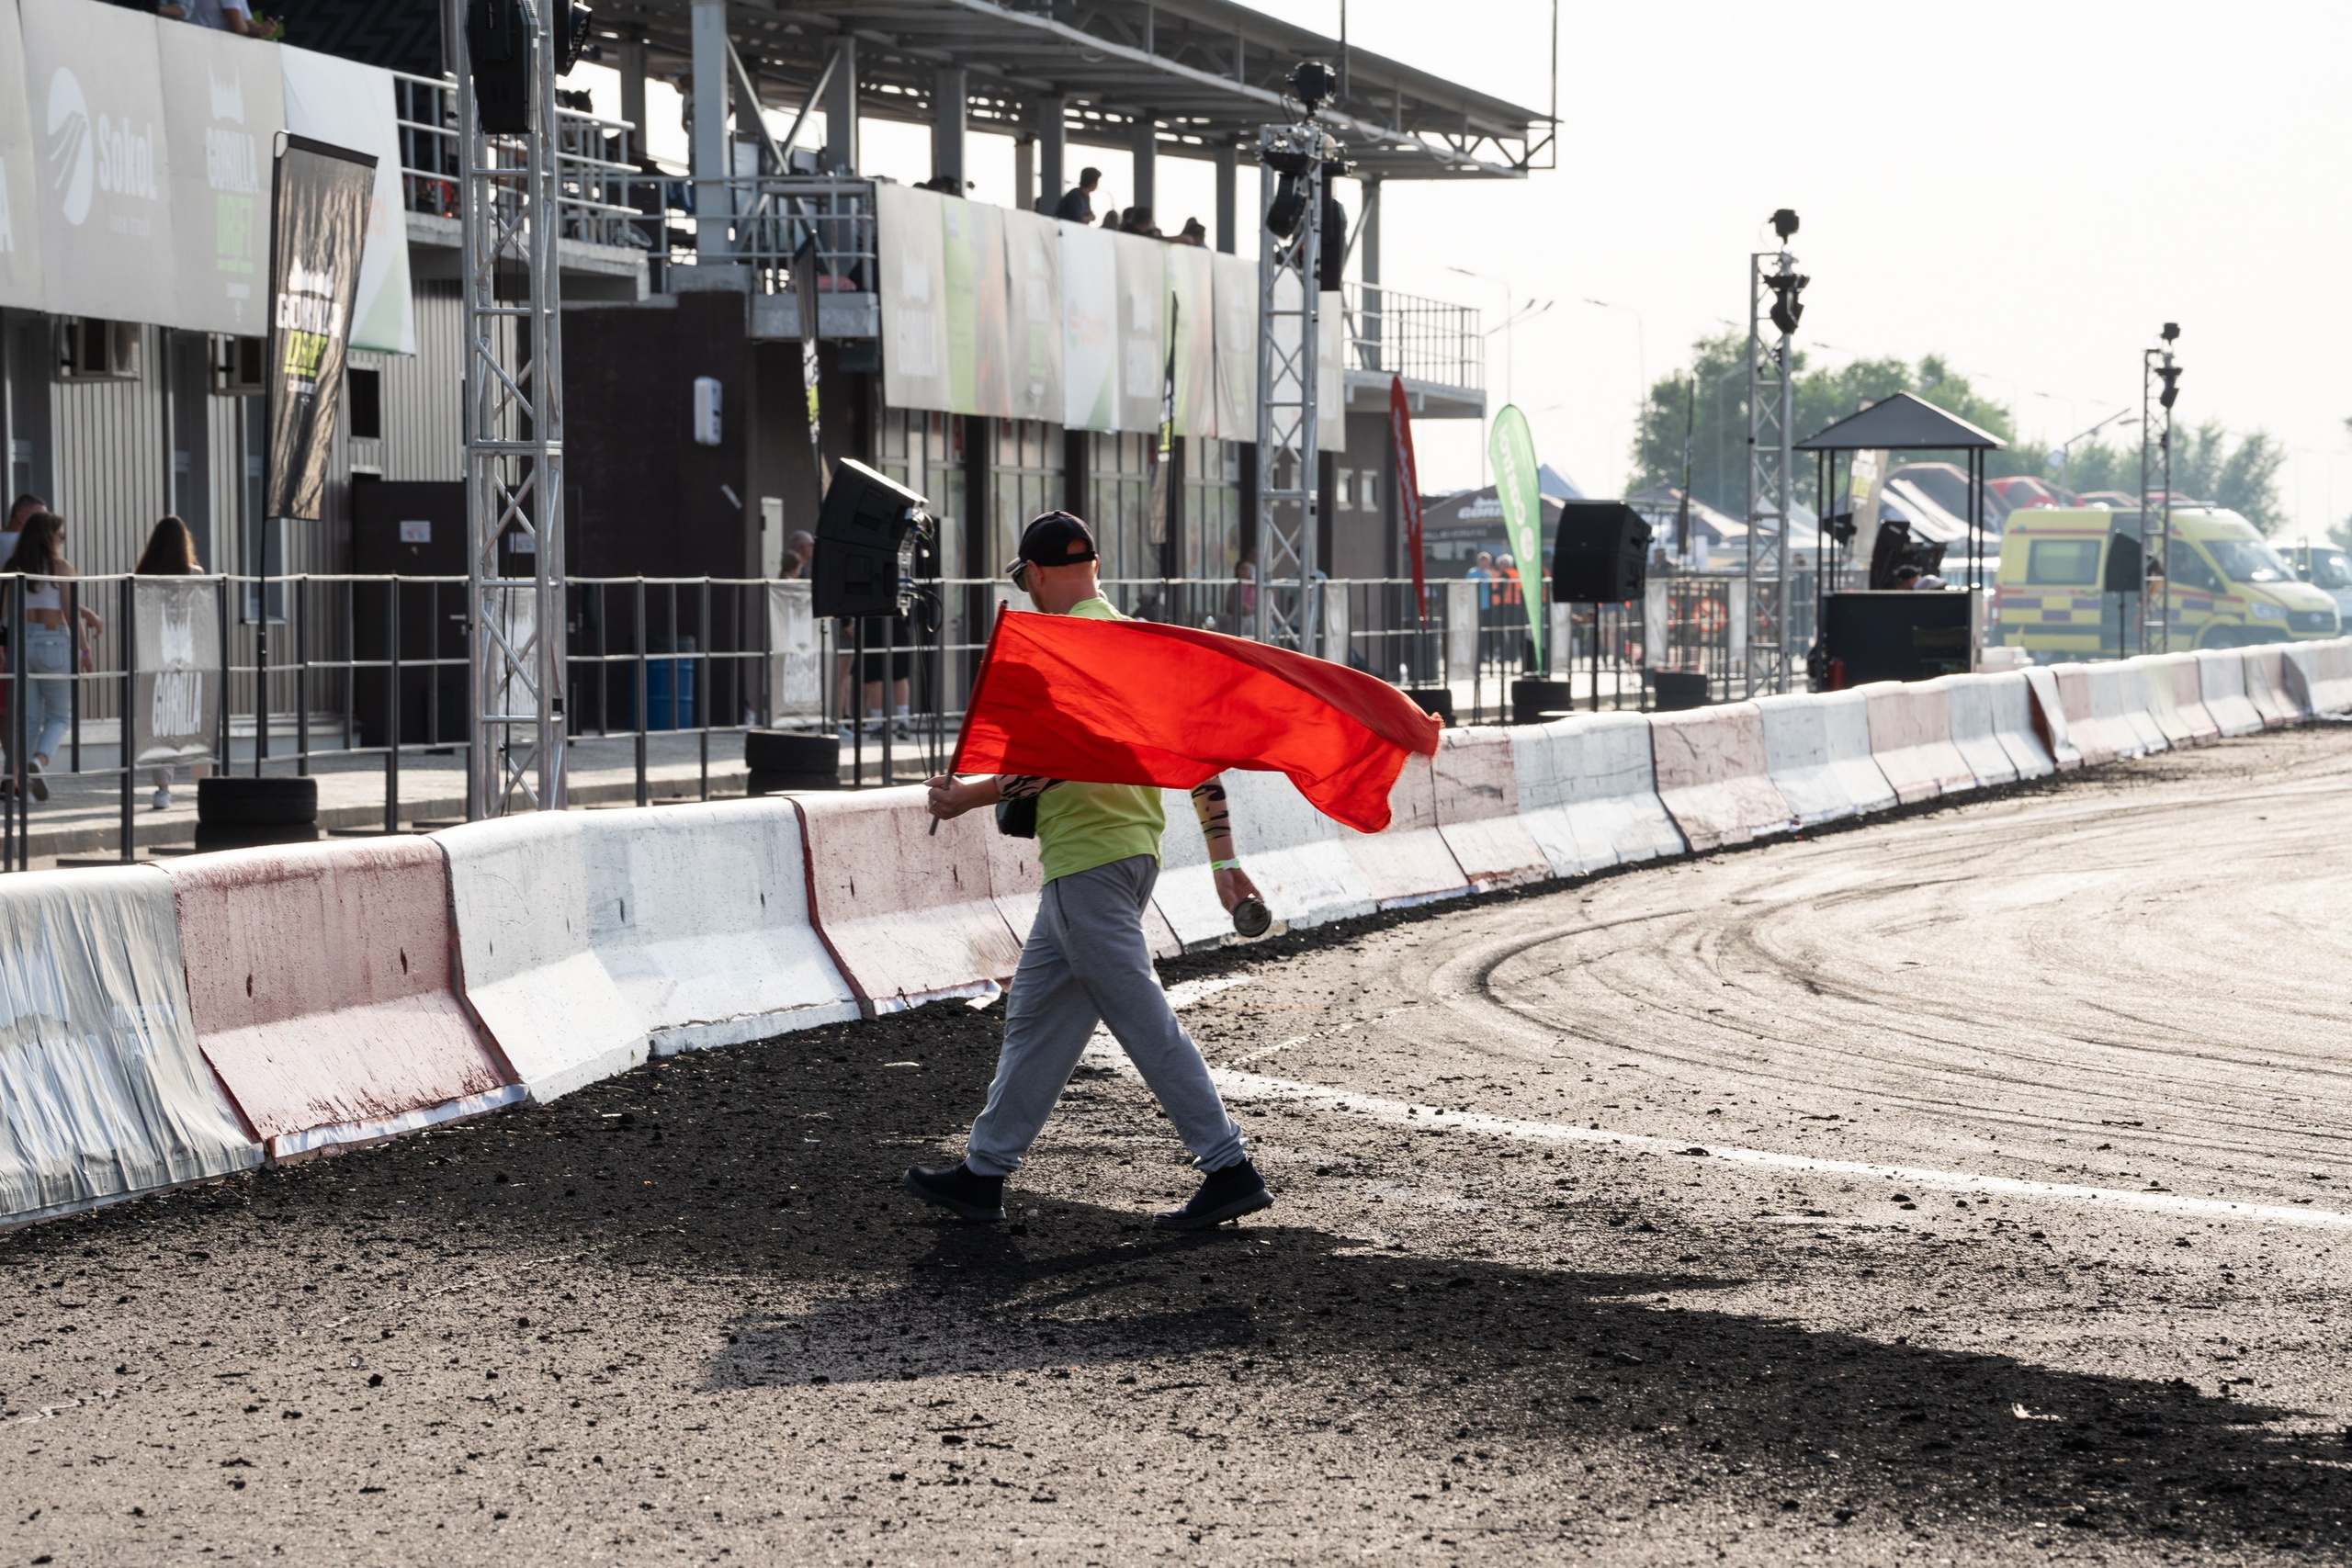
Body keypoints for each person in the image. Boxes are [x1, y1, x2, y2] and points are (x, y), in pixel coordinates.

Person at [906, 511, 1273, 1232]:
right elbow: (1196, 761)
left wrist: (964, 797)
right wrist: (1224, 861)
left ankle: (1229, 1165)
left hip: (1087, 863)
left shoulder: (1065, 650)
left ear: (1035, 575)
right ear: (1095, 568)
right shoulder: (1132, 642)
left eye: (1025, 580)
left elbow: (1053, 765)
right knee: (1036, 1021)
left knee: (1144, 1021)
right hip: (1132, 855)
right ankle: (983, 1174)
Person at [2, 513, 102, 803]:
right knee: (60, 715)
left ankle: (25, 787)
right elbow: (70, 612)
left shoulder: (13, 566)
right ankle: (39, 761)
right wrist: (84, 651)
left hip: (20, 641)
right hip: (52, 639)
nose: (62, 539)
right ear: (50, 537)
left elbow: (4, 614)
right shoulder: (60, 567)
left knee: (29, 718)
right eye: (61, 534)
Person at [133, 516, 212, 811]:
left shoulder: (143, 574)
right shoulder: (194, 573)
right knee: (195, 720)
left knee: (161, 725)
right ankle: (204, 786)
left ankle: (163, 790)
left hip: (155, 655)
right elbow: (201, 616)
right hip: (189, 653)